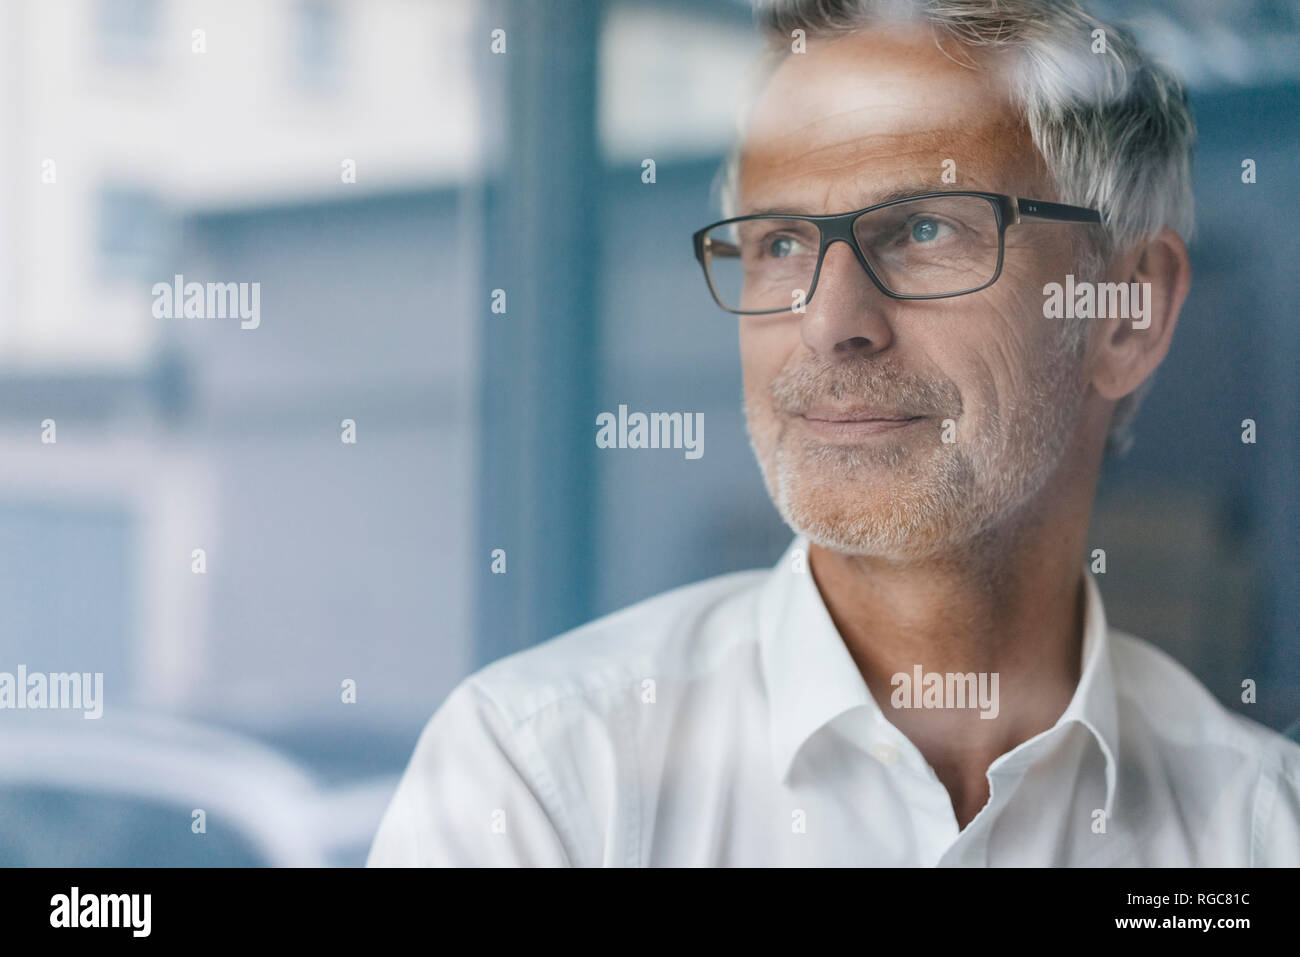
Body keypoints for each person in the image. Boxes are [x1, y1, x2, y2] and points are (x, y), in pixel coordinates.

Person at [369, 0, 1300, 866]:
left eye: (926, 228)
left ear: (1126, 314)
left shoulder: (1260, 826)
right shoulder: (538, 781)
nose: (829, 320)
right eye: (779, 245)